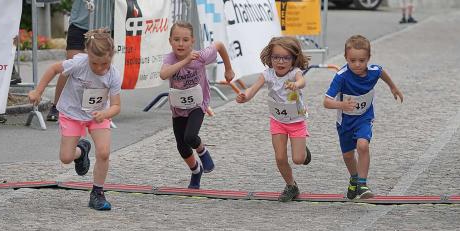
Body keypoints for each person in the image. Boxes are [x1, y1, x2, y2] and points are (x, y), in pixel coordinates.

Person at [28, 28, 121, 210]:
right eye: (95, 64)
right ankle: (82, 150)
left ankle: (97, 192)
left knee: (103, 152)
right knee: (66, 158)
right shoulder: (79, 63)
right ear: (87, 55)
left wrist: (106, 113)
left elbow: (117, 106)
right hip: (72, 113)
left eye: (105, 64)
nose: (100, 68)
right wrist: (37, 91)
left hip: (97, 115)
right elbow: (54, 68)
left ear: (111, 56)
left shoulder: (113, 74)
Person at [323, 35, 404, 200]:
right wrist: (342, 105)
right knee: (347, 155)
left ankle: (362, 183)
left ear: (368, 58)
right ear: (346, 58)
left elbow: (382, 72)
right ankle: (353, 177)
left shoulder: (373, 71)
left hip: (364, 117)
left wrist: (393, 88)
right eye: (353, 60)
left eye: (362, 60)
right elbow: (326, 102)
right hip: (345, 121)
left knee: (363, 145)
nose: (357, 64)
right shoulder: (341, 76)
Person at [159, 21, 235, 189]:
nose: (180, 43)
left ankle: (203, 152)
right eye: (176, 39)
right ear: (170, 41)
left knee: (190, 137)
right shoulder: (169, 58)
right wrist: (185, 60)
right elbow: (164, 74)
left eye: (185, 40)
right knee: (182, 147)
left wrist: (228, 69)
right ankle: (195, 171)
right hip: (178, 108)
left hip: (198, 104)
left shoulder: (201, 56)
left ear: (192, 41)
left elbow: (220, 45)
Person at [236, 36, 311, 202]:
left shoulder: (294, 73)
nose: (280, 62)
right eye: (276, 57)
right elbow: (253, 89)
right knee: (280, 157)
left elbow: (302, 81)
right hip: (277, 120)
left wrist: (296, 85)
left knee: (298, 159)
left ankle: (304, 153)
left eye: (286, 58)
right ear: (270, 58)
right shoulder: (268, 74)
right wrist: (244, 97)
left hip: (296, 121)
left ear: (294, 59)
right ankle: (291, 186)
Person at [47, 0, 91, 121]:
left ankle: (94, 106)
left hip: (105, 24)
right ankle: (57, 106)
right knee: (71, 66)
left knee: (101, 67)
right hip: (80, 24)